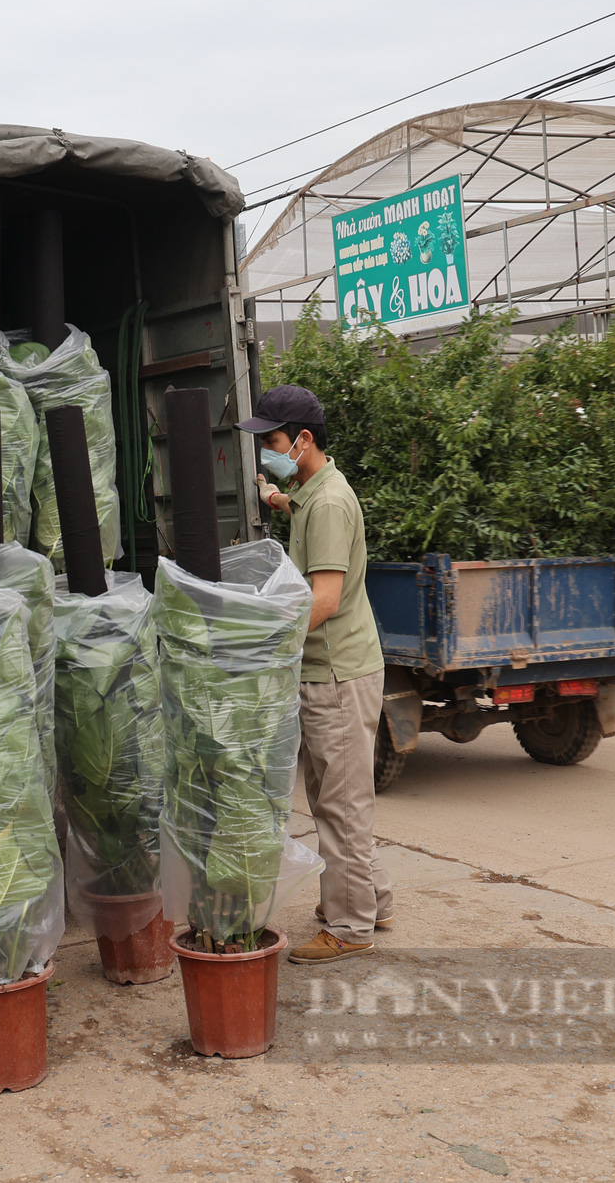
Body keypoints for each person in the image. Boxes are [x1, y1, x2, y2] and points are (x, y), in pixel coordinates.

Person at [238, 384, 395, 964]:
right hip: (331, 669)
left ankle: (351, 926)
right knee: (338, 795)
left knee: (341, 803)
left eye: (273, 443)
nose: (266, 452)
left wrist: (256, 638)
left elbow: (324, 599)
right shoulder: (311, 490)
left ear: (302, 441)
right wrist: (272, 495)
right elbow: (294, 504)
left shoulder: (328, 504)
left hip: (336, 673)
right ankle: (373, 899)